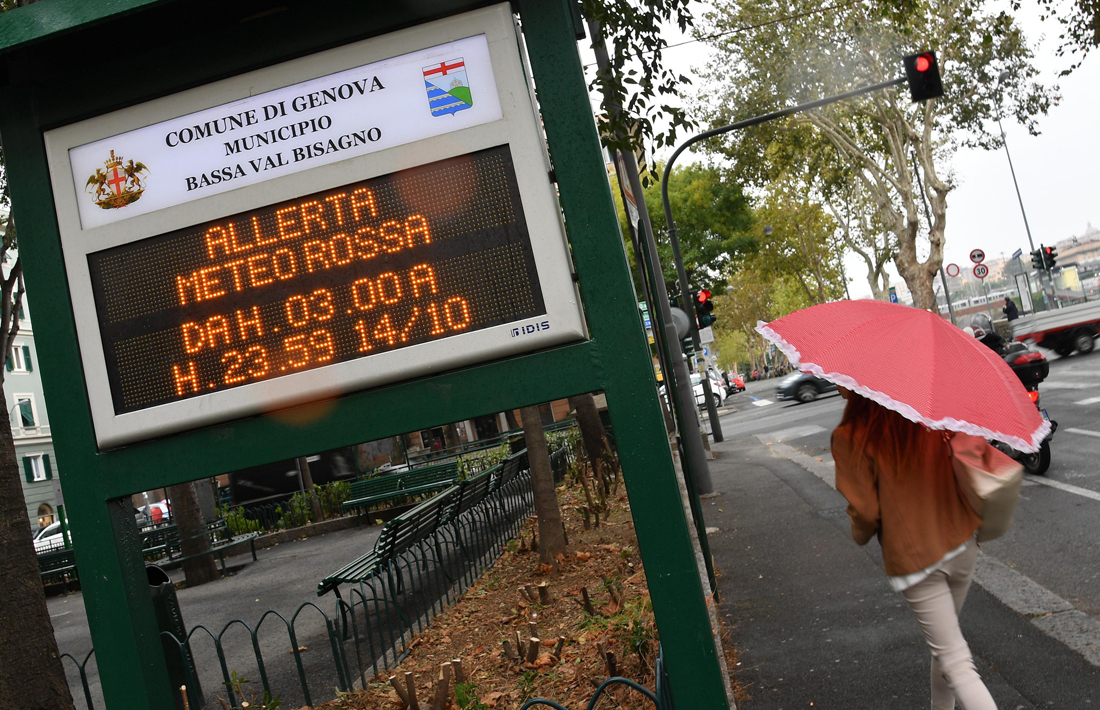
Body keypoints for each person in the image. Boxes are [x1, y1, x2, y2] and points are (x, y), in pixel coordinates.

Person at [832, 388, 997, 710]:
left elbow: (865, 513)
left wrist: (859, 531)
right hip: (961, 538)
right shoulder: (922, 411)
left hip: (918, 558)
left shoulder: (851, 434)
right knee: (947, 650)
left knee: (956, 661)